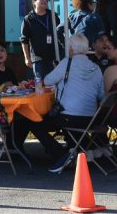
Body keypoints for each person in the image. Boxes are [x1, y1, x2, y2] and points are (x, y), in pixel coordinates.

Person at [32, 34, 104, 173]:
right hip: (90, 119)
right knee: (66, 119)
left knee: (35, 123)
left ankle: (62, 155)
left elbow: (47, 81)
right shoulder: (96, 68)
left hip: (69, 117)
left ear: (70, 48)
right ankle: (76, 150)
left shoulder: (68, 62)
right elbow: (101, 95)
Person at [21, 0, 61, 79]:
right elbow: (24, 40)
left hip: (53, 58)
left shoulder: (53, 16)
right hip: (37, 59)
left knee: (53, 83)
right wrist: (27, 58)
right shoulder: (28, 19)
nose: (45, 0)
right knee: (39, 84)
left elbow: (60, 33)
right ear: (34, 2)